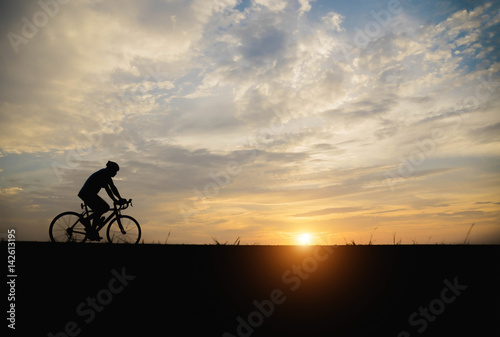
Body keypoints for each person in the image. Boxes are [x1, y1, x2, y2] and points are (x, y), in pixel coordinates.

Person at [78, 161, 127, 240]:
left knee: (100, 210)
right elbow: (108, 190)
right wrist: (116, 200)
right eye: (115, 171)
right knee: (104, 207)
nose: (115, 173)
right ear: (111, 170)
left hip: (88, 193)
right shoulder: (104, 174)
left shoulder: (105, 174)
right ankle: (87, 223)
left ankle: (92, 231)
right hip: (87, 194)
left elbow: (113, 188)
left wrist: (120, 199)